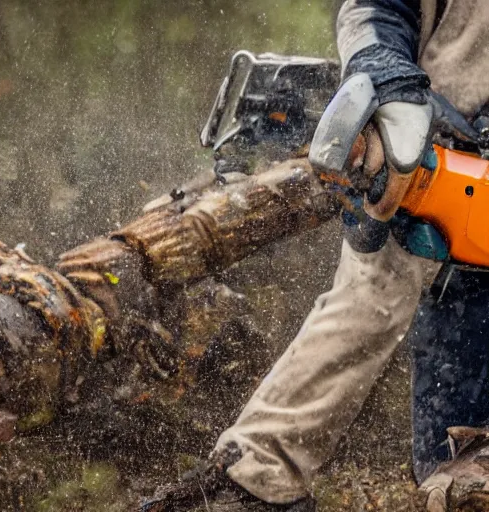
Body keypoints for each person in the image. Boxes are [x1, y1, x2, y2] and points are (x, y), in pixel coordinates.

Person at [143, 1, 489, 510]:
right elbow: (378, 6)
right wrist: (382, 68)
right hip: (444, 141)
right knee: (449, 470)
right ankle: (258, 478)